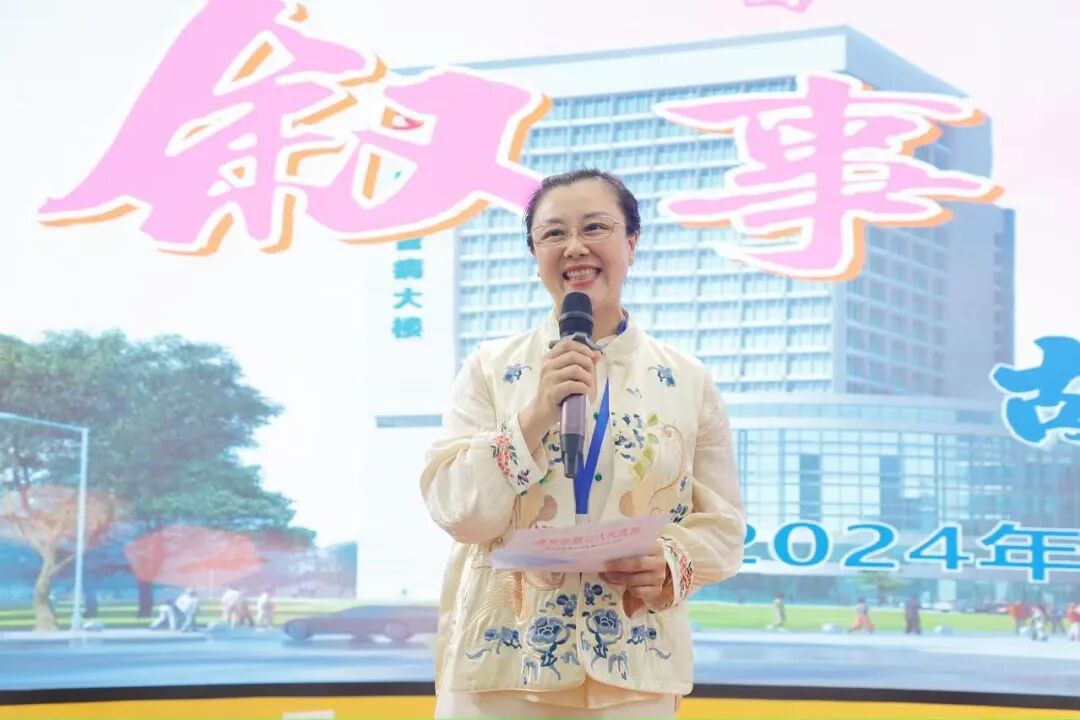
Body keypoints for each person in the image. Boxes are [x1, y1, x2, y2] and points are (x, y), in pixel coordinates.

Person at [421, 169, 745, 719]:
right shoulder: (491, 368)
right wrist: (534, 416)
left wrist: (669, 563)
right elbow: (460, 513)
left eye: (595, 227)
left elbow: (724, 525)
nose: (574, 247)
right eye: (553, 233)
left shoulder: (687, 380)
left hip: (633, 667)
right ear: (535, 254)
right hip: (503, 667)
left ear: (631, 243)